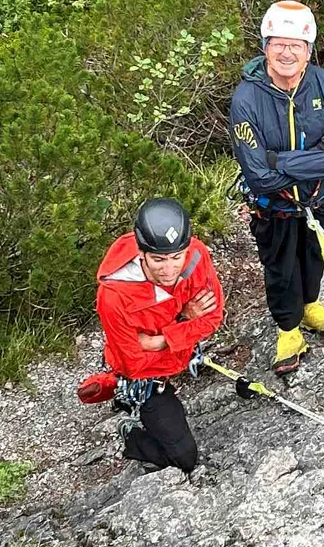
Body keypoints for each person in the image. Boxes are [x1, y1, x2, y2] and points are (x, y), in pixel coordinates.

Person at [228, 1, 324, 377]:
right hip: (275, 205)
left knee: (315, 255)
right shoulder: (247, 99)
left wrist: (280, 160)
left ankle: (311, 305)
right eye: (278, 44)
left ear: (308, 50)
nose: (286, 52)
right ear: (265, 47)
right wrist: (321, 153)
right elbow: (259, 177)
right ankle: (288, 328)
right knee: (280, 267)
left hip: (320, 198)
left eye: (296, 45)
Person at [90, 197, 224, 474]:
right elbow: (134, 364)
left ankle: (123, 399)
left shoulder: (196, 256)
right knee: (184, 459)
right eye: (158, 260)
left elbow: (213, 317)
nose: (169, 269)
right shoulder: (114, 296)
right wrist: (184, 325)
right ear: (142, 253)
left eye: (177, 257)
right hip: (145, 376)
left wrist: (159, 339)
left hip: (174, 353)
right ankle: (130, 433)